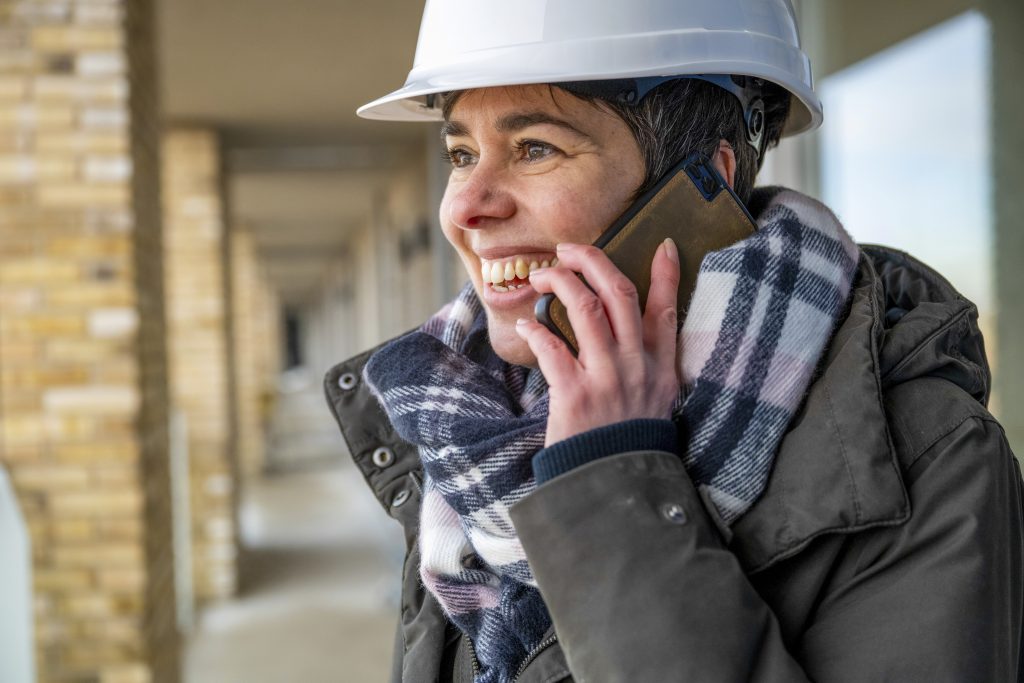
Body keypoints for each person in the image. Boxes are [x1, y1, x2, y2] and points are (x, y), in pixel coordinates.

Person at [324, 0, 1024, 680]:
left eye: (534, 147)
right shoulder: (464, 422)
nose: (466, 207)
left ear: (702, 183)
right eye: (461, 153)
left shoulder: (930, 455)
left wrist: (607, 476)